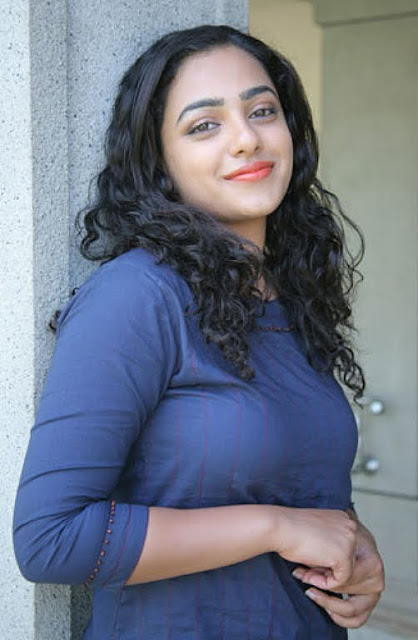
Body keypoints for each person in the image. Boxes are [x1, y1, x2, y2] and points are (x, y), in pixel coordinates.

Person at [13, 24, 384, 640]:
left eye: (262, 111)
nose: (246, 138)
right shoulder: (138, 297)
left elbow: (299, 486)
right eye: (204, 125)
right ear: (159, 162)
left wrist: (353, 545)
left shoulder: (294, 298)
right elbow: (51, 540)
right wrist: (274, 527)